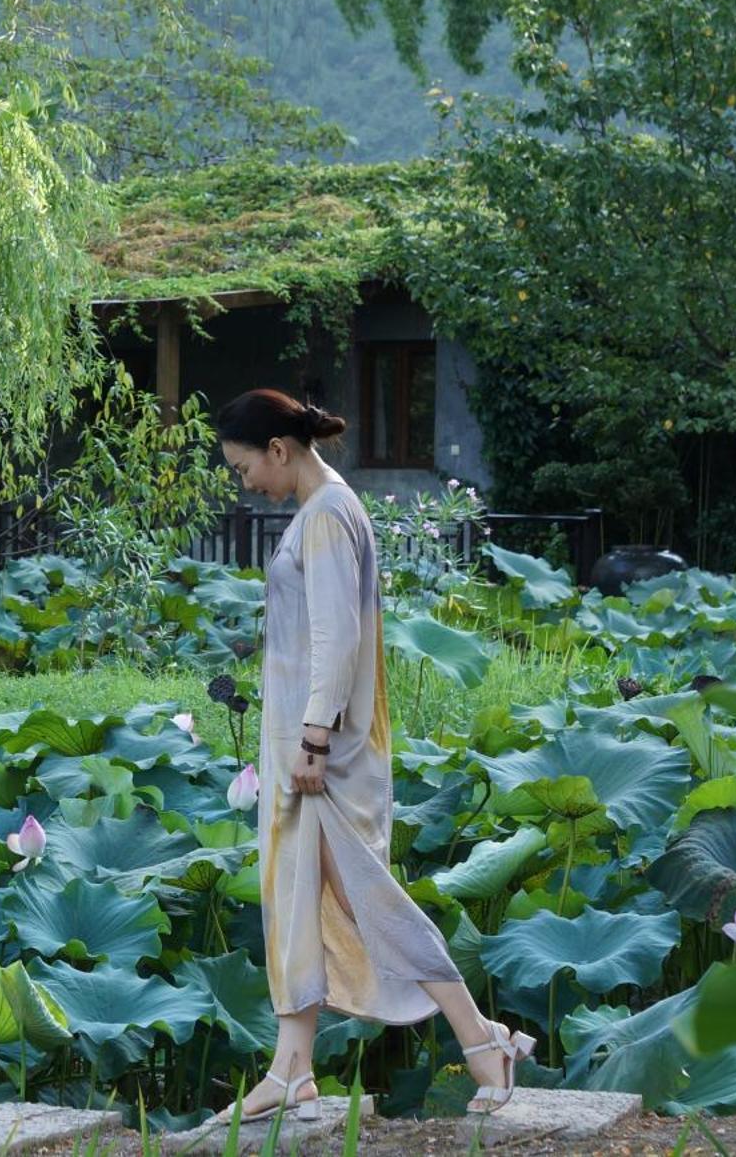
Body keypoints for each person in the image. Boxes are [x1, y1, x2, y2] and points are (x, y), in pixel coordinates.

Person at [214, 388, 534, 1121]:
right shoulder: (325, 510)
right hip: (309, 745)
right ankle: (291, 1066)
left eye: (243, 468)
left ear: (278, 450)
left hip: (322, 753)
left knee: (370, 903)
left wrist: (313, 740)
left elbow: (338, 638)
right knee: (297, 895)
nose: (246, 483)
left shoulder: (326, 515)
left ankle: (482, 1038)